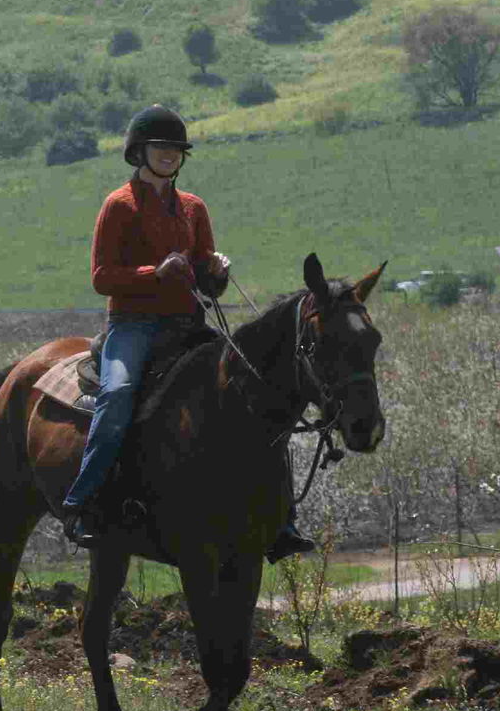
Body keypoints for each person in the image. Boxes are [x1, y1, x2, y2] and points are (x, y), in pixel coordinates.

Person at [58, 105, 314, 560]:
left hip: (188, 327)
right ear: (140, 152)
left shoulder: (194, 208)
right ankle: (82, 503)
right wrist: (154, 273)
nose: (170, 155)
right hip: (133, 328)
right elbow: (101, 277)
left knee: (258, 395)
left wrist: (216, 270)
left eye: (177, 149)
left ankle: (283, 519)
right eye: (161, 147)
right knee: (117, 396)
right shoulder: (118, 205)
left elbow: (205, 281)